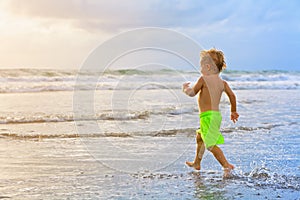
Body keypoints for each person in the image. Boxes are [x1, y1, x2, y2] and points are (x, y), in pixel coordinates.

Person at [182, 48, 239, 177]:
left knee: (210, 145)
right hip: (215, 116)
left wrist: (185, 89)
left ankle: (226, 165)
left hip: (207, 117)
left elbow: (192, 93)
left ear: (207, 66)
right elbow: (232, 96)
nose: (200, 68)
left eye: (201, 65)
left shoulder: (203, 79)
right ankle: (197, 162)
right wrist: (233, 111)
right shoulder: (223, 83)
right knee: (200, 137)